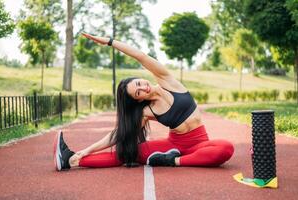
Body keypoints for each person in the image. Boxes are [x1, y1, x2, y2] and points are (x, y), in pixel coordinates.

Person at [53, 33, 234, 171]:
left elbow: (140, 56)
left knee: (225, 148)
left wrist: (109, 42)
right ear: (137, 99)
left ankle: (173, 161)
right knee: (127, 153)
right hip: (173, 145)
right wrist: (86, 150)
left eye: (139, 83)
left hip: (199, 143)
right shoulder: (147, 111)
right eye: (138, 92)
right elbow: (118, 136)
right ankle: (71, 160)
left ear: (141, 77)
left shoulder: (167, 80)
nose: (143, 89)